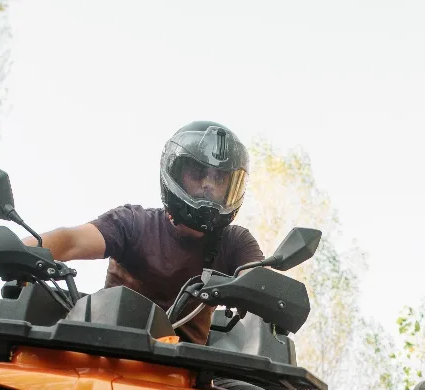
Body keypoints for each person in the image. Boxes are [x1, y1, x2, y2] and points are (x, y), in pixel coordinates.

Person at [25, 121, 264, 345]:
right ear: (177, 173)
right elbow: (71, 240)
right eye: (198, 173)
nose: (209, 184)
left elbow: (261, 282)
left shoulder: (235, 243)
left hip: (189, 375)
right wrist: (19, 249)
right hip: (107, 349)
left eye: (220, 178)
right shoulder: (133, 223)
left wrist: (267, 293)